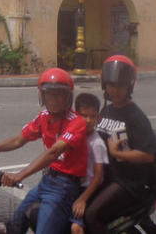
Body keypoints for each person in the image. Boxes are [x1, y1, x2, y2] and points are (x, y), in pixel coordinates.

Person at [0, 67, 88, 234]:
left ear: (68, 96)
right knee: (15, 224)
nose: (53, 99)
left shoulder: (76, 123)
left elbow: (53, 153)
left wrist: (20, 175)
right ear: (42, 96)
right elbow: (18, 140)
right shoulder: (44, 117)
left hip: (64, 187)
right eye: (49, 94)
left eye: (59, 94)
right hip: (47, 181)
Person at [83, 55, 156, 234]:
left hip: (127, 182)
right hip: (107, 176)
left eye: (120, 86)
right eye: (111, 85)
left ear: (129, 86)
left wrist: (118, 154)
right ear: (104, 85)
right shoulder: (107, 110)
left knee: (92, 215)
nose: (115, 91)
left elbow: (149, 155)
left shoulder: (135, 116)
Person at [70, 92, 109, 234]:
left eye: (92, 116)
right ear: (76, 115)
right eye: (84, 115)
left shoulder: (97, 143)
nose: (88, 120)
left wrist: (82, 199)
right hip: (72, 186)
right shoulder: (73, 135)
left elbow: (98, 177)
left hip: (87, 189)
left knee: (76, 228)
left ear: (98, 118)